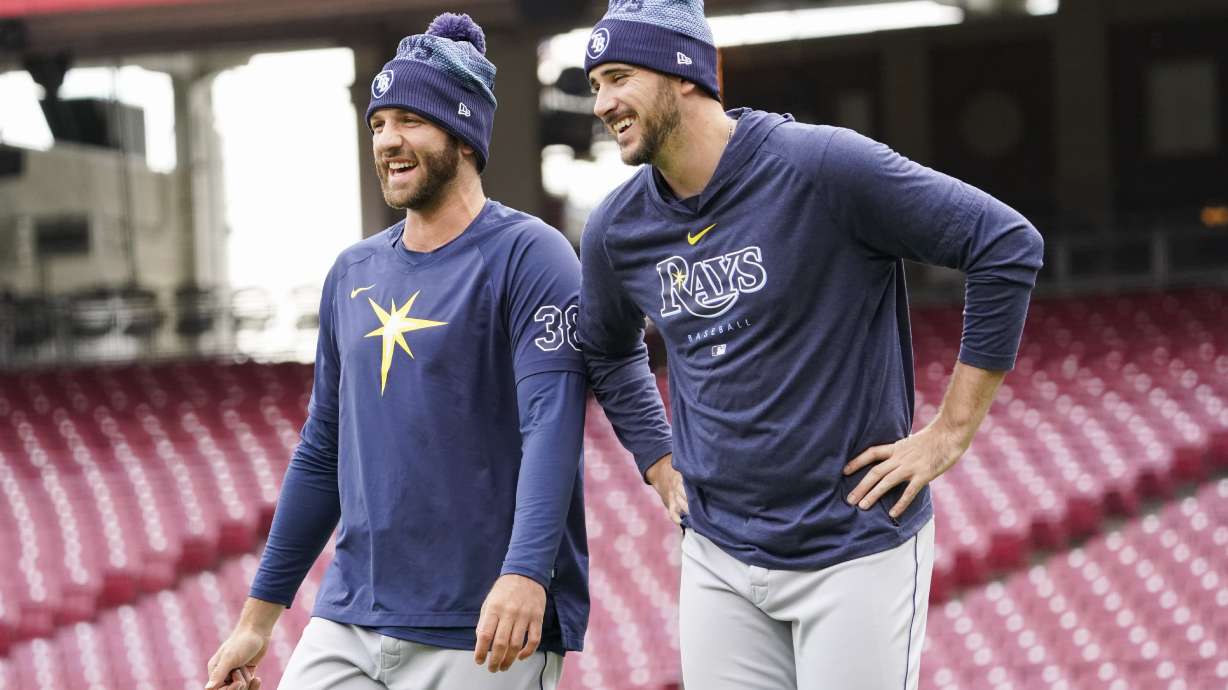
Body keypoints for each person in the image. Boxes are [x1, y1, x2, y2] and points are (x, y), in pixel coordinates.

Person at [577, 1, 1045, 689]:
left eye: (618, 76)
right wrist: (657, 458)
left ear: (684, 73)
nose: (602, 102)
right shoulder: (617, 229)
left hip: (854, 548)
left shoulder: (822, 166)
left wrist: (949, 433)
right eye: (594, 86)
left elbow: (1005, 245)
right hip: (720, 557)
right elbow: (608, 350)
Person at [205, 14, 597, 690]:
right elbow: (322, 447)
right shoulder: (352, 272)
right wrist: (257, 619)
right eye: (378, 123)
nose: (387, 141)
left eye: (409, 120)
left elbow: (552, 427)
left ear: (464, 134)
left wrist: (527, 572)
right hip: (350, 616)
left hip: (482, 626)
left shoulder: (530, 255)